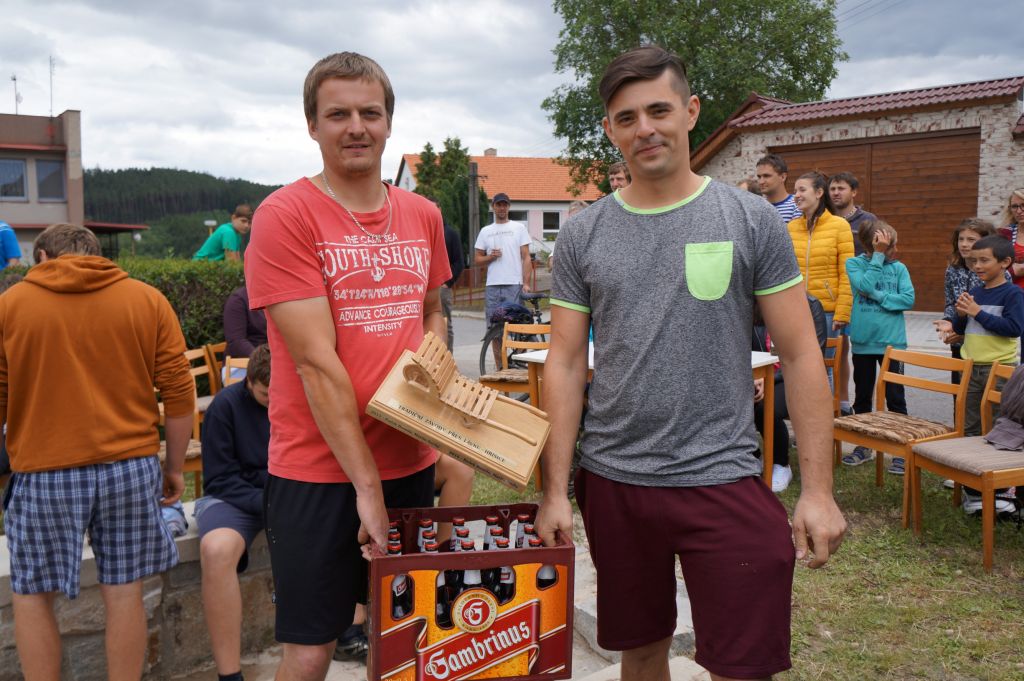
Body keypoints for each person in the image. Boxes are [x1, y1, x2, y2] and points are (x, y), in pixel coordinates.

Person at [535, 45, 845, 681]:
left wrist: (818, 492)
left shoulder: (750, 219)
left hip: (723, 475)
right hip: (616, 480)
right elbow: (564, 364)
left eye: (659, 110)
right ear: (610, 129)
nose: (644, 129)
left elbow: (799, 354)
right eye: (627, 118)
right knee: (641, 650)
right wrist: (553, 490)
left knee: (743, 664)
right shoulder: (584, 234)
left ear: (690, 111)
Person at [244, 52, 450, 681]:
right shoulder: (286, 216)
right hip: (319, 471)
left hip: (409, 459)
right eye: (338, 114)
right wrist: (366, 488)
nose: (356, 127)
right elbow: (315, 365)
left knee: (405, 636)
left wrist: (433, 372)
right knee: (312, 650)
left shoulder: (423, 213)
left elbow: (432, 312)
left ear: (389, 123)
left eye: (370, 113)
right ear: (313, 125)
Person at [0, 223, 194, 680]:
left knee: (32, 595)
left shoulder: (9, 306)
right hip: (130, 468)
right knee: (124, 591)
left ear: (42, 256)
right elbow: (179, 392)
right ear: (97, 255)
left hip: (44, 472)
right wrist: (173, 467)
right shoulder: (146, 300)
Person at [196, 344, 272, 681]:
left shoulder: (296, 399)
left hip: (282, 496)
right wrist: (267, 502)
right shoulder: (224, 407)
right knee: (216, 550)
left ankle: (348, 632)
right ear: (249, 382)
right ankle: (230, 674)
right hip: (234, 497)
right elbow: (219, 479)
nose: (273, 401)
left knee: (338, 521)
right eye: (265, 394)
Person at [935, 235, 1024, 514]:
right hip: (971, 367)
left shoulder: (1013, 294)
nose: (977, 266)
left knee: (997, 429)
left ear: (1005, 262)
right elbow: (964, 326)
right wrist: (958, 319)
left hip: (999, 370)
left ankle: (1000, 490)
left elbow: (1014, 328)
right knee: (970, 425)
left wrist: (976, 312)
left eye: (984, 260)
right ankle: (972, 488)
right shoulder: (976, 292)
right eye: (974, 261)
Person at [842, 220, 915, 472]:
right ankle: (864, 446)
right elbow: (863, 286)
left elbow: (908, 299)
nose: (894, 250)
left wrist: (878, 295)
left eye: (891, 245)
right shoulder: (854, 264)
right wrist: (878, 257)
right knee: (863, 397)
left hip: (892, 344)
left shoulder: (899, 268)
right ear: (873, 245)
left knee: (896, 398)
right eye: (888, 246)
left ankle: (900, 450)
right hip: (863, 342)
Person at [752, 295, 827, 493]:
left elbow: (814, 355)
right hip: (763, 376)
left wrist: (768, 378)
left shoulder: (810, 305)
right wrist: (754, 378)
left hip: (797, 379)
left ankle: (780, 463)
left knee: (765, 408)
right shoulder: (758, 303)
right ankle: (752, 455)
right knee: (735, 399)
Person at [828, 171, 878, 413]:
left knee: (860, 353)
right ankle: (841, 402)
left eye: (841, 188)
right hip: (833, 293)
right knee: (838, 349)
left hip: (860, 294)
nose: (836, 193)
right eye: (832, 189)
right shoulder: (825, 218)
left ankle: (858, 404)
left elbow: (878, 253)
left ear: (854, 192)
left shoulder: (867, 220)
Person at [787, 170, 854, 345]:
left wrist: (842, 313)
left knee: (826, 361)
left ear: (818, 193)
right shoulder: (791, 228)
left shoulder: (840, 226)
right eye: (795, 191)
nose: (796, 195)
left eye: (802, 190)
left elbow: (847, 273)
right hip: (796, 309)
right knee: (799, 359)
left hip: (827, 310)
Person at [937, 218, 1001, 381]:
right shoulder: (953, 269)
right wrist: (949, 322)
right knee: (958, 391)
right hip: (959, 345)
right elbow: (951, 303)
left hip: (987, 348)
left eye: (971, 239)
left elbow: (997, 314)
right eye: (961, 239)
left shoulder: (997, 272)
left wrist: (964, 334)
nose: (964, 244)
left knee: (984, 394)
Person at [435, 201, 465, 351]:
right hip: (424, 289)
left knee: (445, 324)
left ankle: (448, 358)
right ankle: (431, 360)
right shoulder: (423, 231)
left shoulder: (450, 233)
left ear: (440, 209)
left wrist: (448, 282)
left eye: (434, 208)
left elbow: (459, 262)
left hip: (442, 288)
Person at [756, 153, 801, 223]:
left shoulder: (797, 204)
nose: (761, 182)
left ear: (783, 177)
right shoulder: (756, 207)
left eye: (766, 176)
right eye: (759, 177)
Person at [996, 188, 1024, 289]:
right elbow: (993, 266)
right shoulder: (1004, 234)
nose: (1019, 211)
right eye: (1015, 206)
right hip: (1009, 294)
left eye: (1023, 205)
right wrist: (1013, 271)